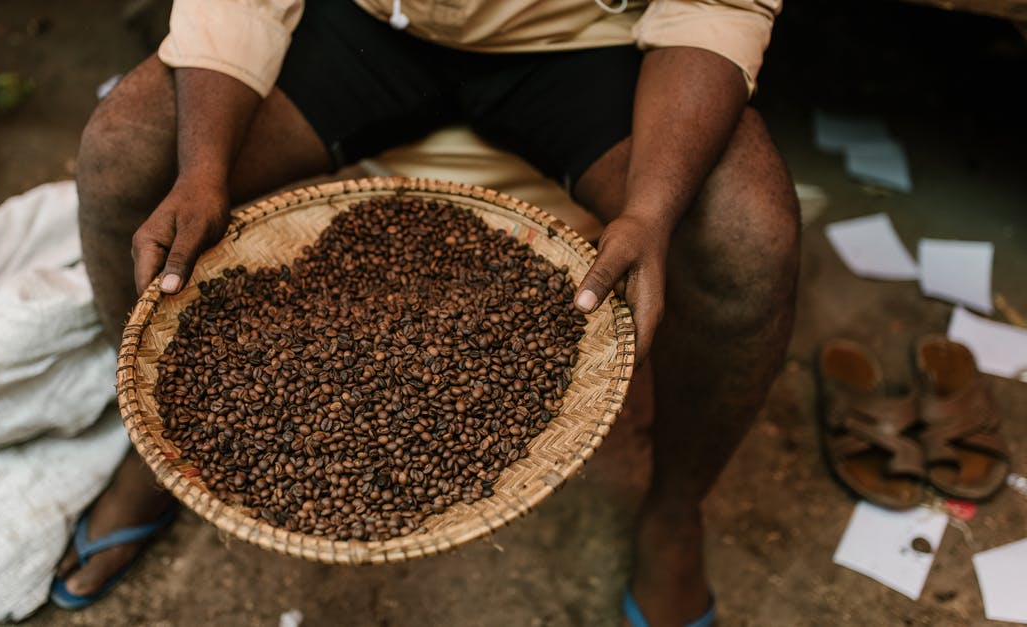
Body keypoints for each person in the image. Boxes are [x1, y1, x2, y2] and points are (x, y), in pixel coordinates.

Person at [57, 0, 799, 624]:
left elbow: (715, 7)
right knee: (127, 150)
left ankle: (674, 512)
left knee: (746, 235)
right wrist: (202, 167)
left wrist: (651, 210)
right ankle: (161, 437)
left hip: (582, 40)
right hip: (366, 22)